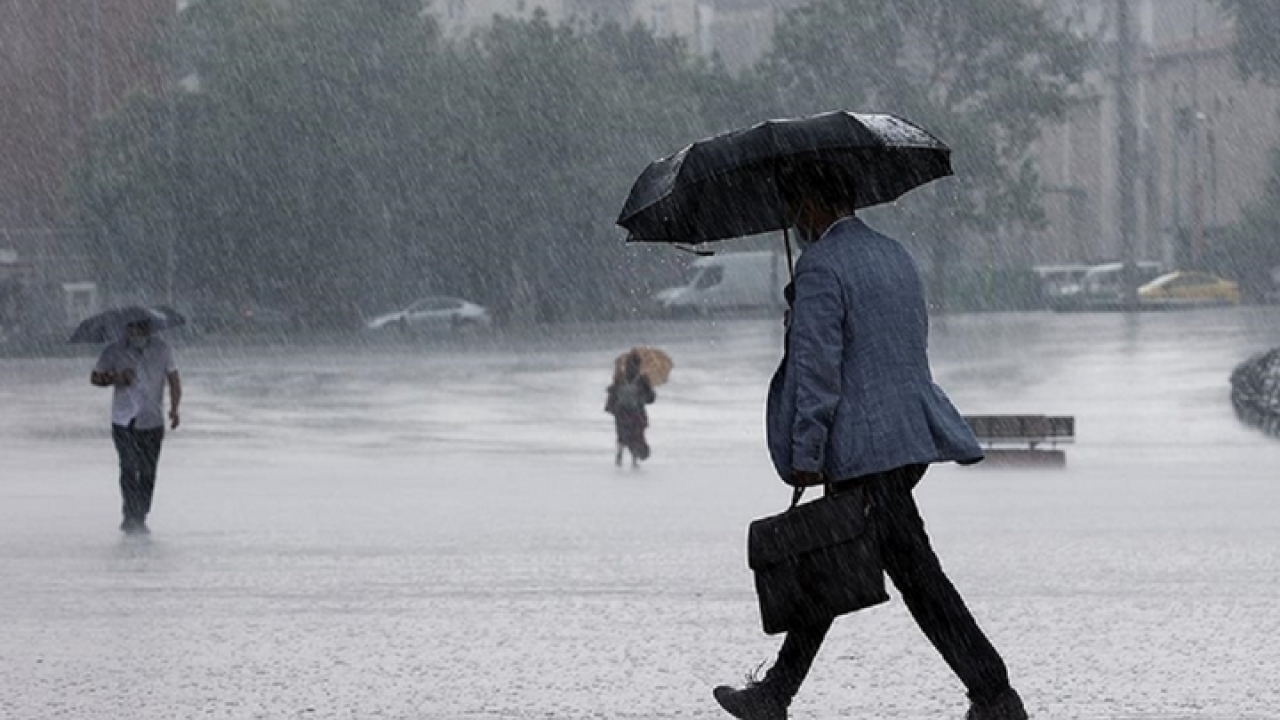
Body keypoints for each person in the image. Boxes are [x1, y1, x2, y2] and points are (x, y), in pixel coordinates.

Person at [712, 168, 1027, 720]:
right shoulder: (895, 256)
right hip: (906, 441)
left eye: (795, 208)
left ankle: (994, 693)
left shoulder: (820, 267)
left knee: (914, 576)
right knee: (834, 559)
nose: (793, 221)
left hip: (862, 450)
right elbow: (896, 348)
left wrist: (806, 455)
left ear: (812, 202)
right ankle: (776, 693)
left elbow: (816, 373)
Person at [90, 319, 181, 535]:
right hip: (123, 419)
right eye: (134, 328)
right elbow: (95, 377)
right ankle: (130, 515)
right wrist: (116, 377)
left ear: (150, 329)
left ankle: (141, 514)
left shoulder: (162, 350)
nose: (138, 333)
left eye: (143, 328)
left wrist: (175, 408)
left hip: (152, 419)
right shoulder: (114, 351)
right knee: (129, 466)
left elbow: (174, 380)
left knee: (148, 471)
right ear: (127, 328)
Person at [605, 350, 656, 468]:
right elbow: (650, 398)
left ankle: (620, 457)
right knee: (636, 435)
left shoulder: (620, 378)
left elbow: (613, 393)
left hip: (622, 413)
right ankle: (634, 459)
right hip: (636, 413)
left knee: (623, 436)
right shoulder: (642, 380)